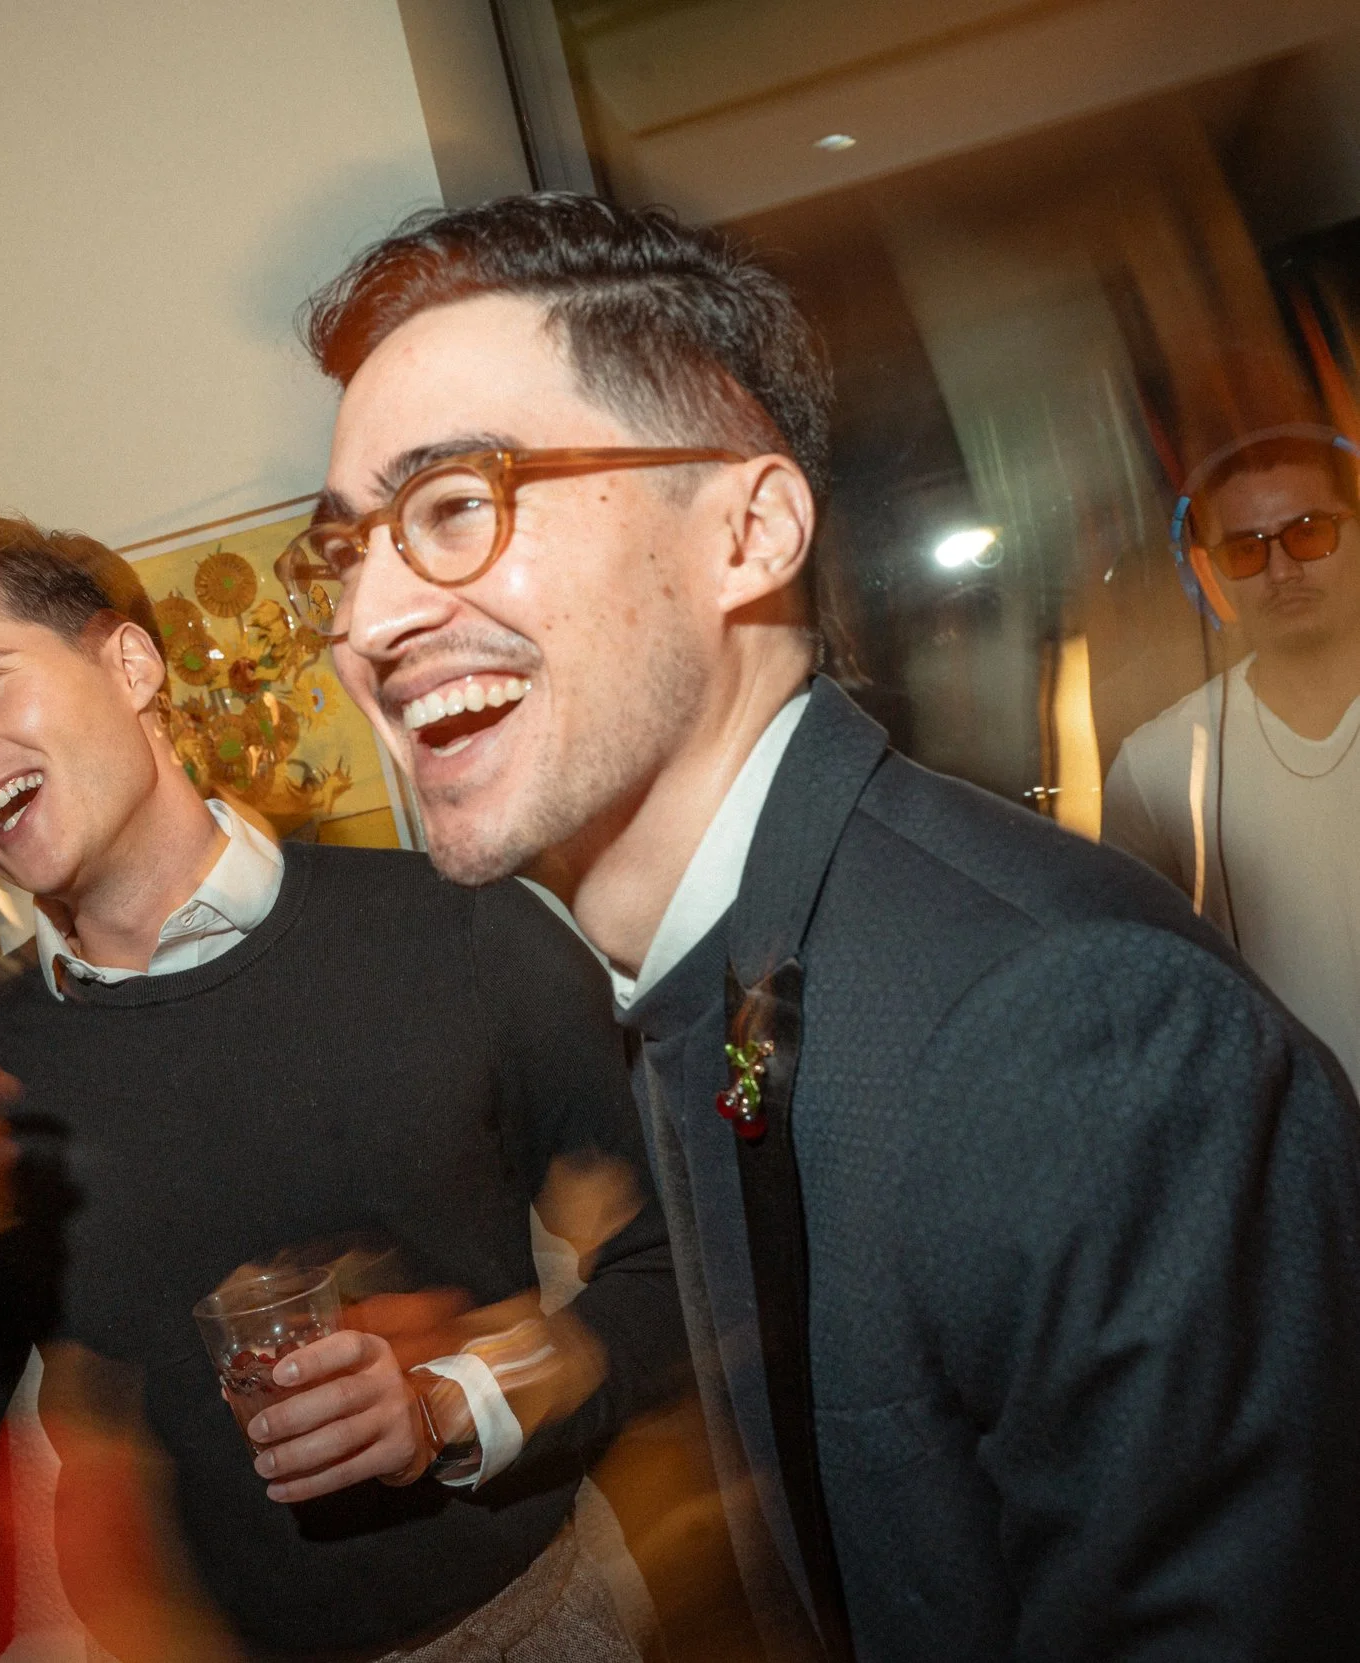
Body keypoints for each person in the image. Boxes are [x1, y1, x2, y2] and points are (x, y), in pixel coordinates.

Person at [292, 193, 1360, 1660]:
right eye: (343, 551)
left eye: (455, 505)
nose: (369, 618)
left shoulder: (1073, 1026)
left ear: (750, 528)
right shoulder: (724, 966)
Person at [0, 507, 689, 1661]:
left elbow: (681, 1262)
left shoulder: (456, 927)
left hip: (530, 1624)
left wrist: (452, 1402)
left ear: (128, 662)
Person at [1103, 424, 1360, 1078]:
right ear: (1210, 574)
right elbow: (1145, 999)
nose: (1281, 570)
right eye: (1245, 550)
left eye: (1309, 531)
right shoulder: (1157, 766)